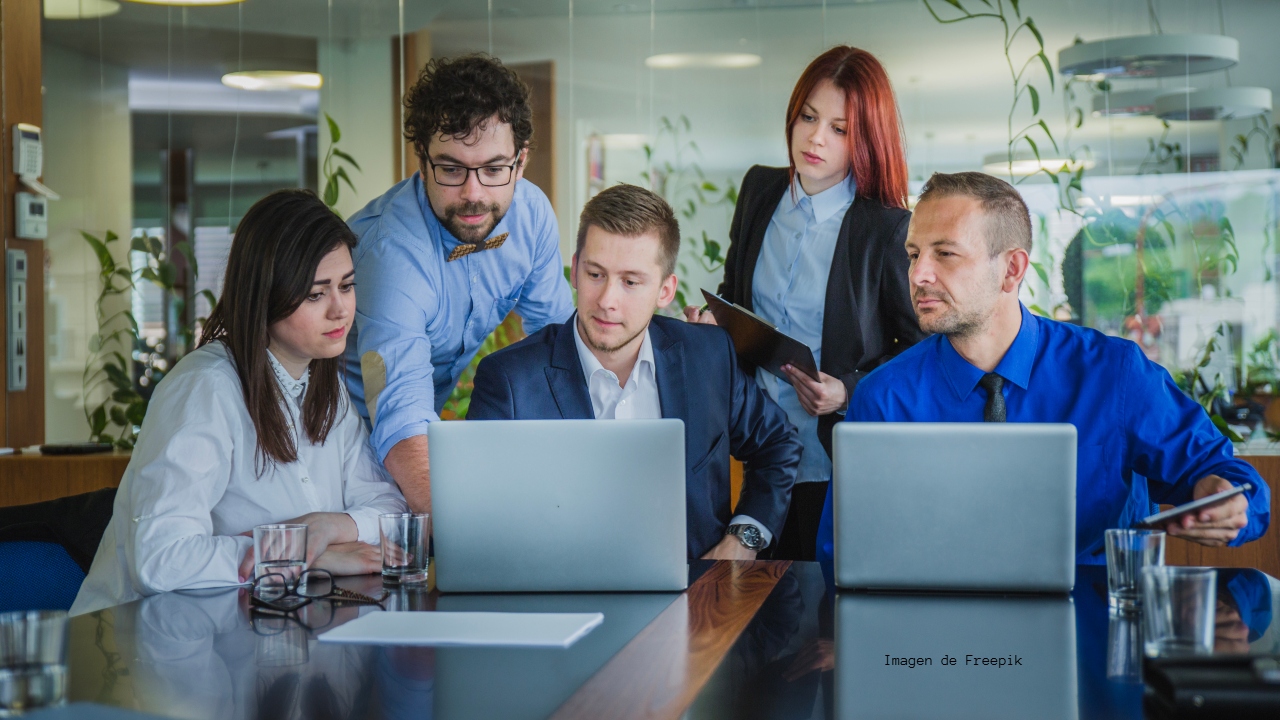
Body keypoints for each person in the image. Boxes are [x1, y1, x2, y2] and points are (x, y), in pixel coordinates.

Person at [815, 171, 1271, 567]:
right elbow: (845, 553)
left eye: (945, 254)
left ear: (1011, 270)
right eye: (915, 254)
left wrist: (1230, 500)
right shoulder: (883, 397)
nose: (918, 275)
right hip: (938, 641)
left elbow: (1228, 477)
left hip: (1093, 639)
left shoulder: (1114, 374)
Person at [71, 190, 407, 616]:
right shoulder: (205, 389)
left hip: (257, 629)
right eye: (315, 294)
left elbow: (390, 508)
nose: (341, 310)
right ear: (266, 293)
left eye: (347, 286)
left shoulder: (325, 386)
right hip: (142, 649)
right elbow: (158, 561)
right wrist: (299, 555)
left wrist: (326, 527)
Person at [468, 184, 802, 560]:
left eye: (630, 282)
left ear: (665, 291)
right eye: (595, 274)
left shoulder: (709, 355)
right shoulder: (508, 380)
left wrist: (743, 541)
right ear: (575, 270)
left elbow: (778, 445)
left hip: (697, 602)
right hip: (564, 604)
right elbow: (481, 519)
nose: (608, 301)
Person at [685, 46, 924, 561]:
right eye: (809, 117)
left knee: (819, 618)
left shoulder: (884, 230)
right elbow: (736, 291)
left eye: (840, 129)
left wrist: (848, 392)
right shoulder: (759, 189)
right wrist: (713, 320)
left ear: (866, 139)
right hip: (750, 450)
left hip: (831, 462)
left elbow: (922, 349)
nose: (816, 138)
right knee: (743, 607)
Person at [343, 54, 574, 514]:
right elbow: (400, 411)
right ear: (423, 162)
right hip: (346, 444)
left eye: (493, 169)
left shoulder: (530, 217)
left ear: (521, 161)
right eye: (451, 169)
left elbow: (560, 348)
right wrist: (465, 538)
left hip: (426, 438)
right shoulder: (391, 257)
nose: (473, 194)